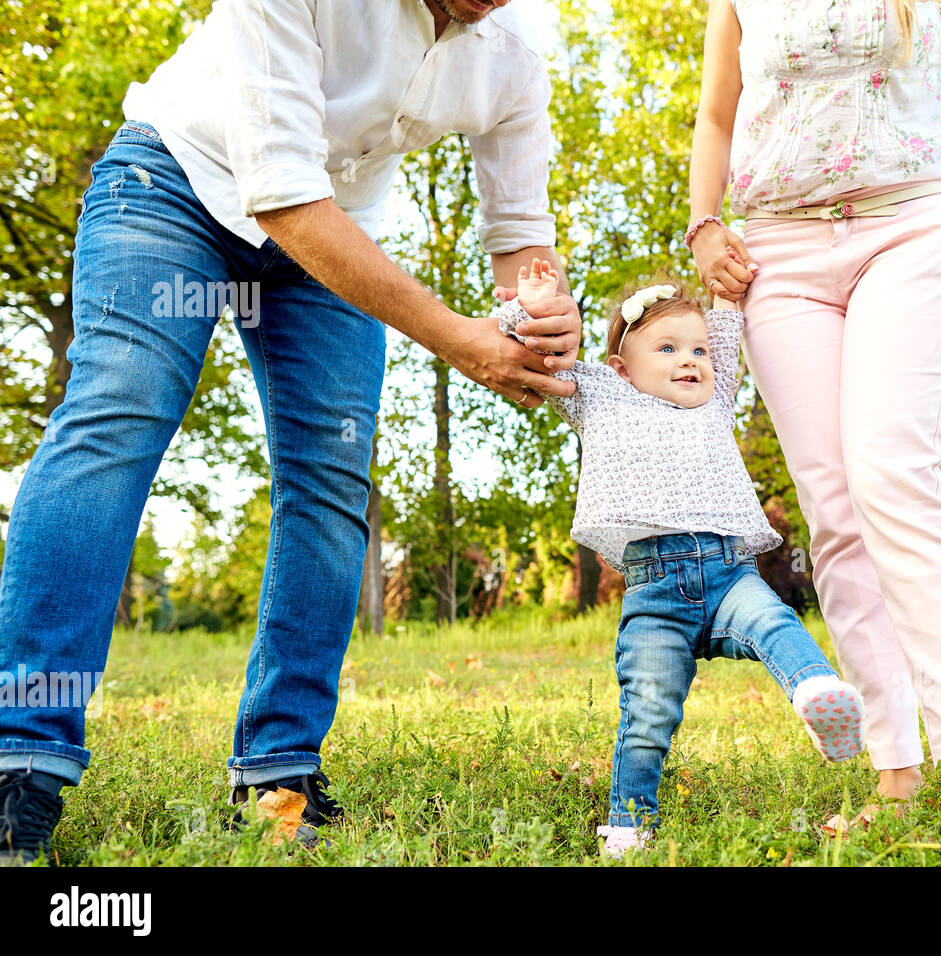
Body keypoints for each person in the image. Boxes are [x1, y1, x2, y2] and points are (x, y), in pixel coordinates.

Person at [0, 0, 580, 863]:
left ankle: (279, 768)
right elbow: (281, 195)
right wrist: (459, 338)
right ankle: (23, 755)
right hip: (175, 186)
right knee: (121, 410)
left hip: (327, 240)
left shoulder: (514, 57)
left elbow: (521, 232)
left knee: (332, 472)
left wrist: (537, 305)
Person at [687, 0, 941, 850]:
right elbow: (717, 110)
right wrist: (704, 222)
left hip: (908, 230)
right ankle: (896, 768)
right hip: (779, 253)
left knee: (893, 480)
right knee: (835, 513)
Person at [497, 260, 866, 858]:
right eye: (666, 348)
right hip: (654, 591)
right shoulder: (598, 394)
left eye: (697, 349)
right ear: (621, 366)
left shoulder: (715, 401)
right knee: (647, 712)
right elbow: (532, 359)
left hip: (728, 573)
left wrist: (723, 283)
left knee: (776, 622)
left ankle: (817, 694)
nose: (689, 360)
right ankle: (629, 826)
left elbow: (725, 324)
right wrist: (532, 306)